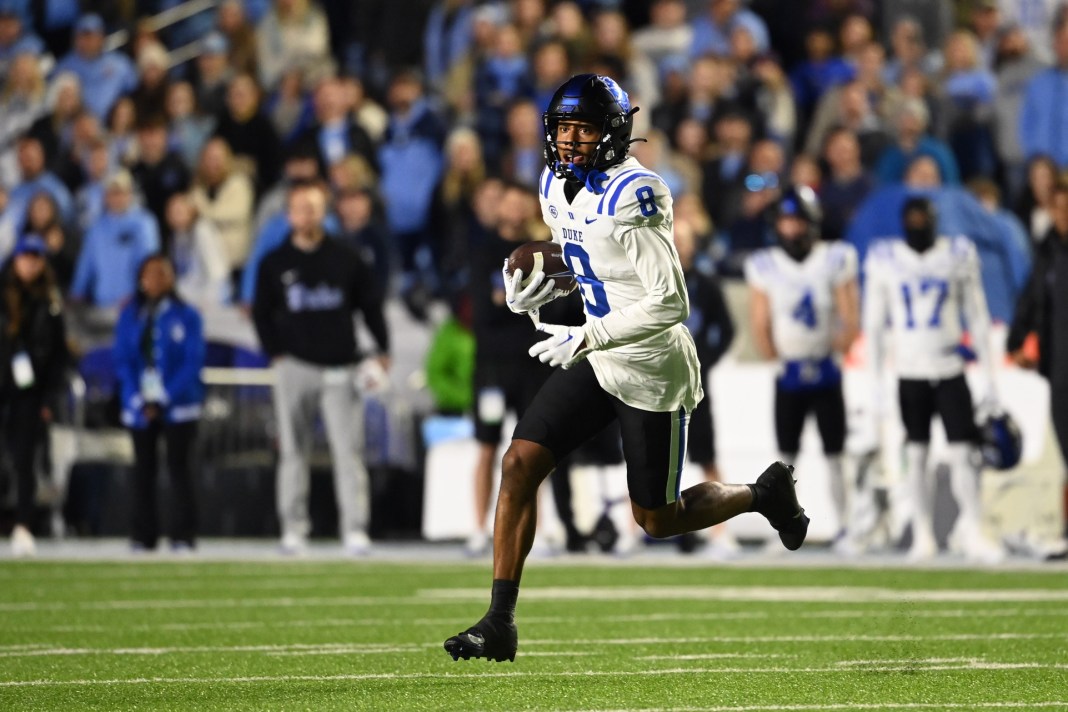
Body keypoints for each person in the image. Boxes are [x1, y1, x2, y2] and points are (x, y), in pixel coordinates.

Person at [443, 74, 809, 663]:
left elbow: (670, 301)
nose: (569, 140)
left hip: (651, 364)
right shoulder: (553, 186)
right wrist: (535, 287)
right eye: (563, 127)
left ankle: (762, 494)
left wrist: (588, 331)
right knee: (519, 464)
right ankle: (499, 620)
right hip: (597, 352)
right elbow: (587, 259)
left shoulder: (636, 193)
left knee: (657, 519)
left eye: (583, 128)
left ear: (612, 134)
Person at [251, 180, 390, 556]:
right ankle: (293, 528)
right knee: (292, 450)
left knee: (349, 452)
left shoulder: (346, 257)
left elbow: (370, 306)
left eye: (313, 207)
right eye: (300, 208)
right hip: (294, 365)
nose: (307, 215)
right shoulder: (274, 262)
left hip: (340, 368)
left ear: (323, 212)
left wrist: (382, 348)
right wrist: (275, 352)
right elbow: (261, 312)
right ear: (289, 215)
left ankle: (354, 529)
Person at [863, 196, 1004, 563]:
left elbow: (977, 315)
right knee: (917, 453)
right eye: (910, 217)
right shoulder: (885, 258)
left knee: (963, 454)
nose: (917, 224)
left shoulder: (957, 253)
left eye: (922, 217)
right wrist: (875, 379)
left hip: (949, 367)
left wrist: (990, 374)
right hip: (910, 371)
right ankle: (922, 534)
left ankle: (973, 529)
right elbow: (874, 325)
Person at [745, 186, 859, 550]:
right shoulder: (764, 264)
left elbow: (849, 316)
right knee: (785, 460)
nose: (791, 230)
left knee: (836, 454)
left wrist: (835, 352)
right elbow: (759, 322)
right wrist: (777, 362)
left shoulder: (835, 257)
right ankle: (782, 529)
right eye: (785, 222)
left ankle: (846, 526)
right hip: (789, 372)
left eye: (796, 222)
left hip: (825, 367)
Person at [113, 254, 205, 552]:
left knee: (180, 469)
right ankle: (143, 534)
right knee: (143, 470)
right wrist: (139, 397)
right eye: (149, 274)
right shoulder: (131, 315)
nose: (155, 280)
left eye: (162, 273)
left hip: (179, 404)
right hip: (140, 404)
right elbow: (123, 360)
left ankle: (183, 535)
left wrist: (164, 396)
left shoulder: (187, 314)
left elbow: (192, 362)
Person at [0, 235, 68, 557]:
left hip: (29, 392)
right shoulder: (2, 295)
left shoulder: (50, 302)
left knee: (24, 460)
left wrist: (49, 400)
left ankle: (23, 525)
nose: (30, 263)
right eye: (26, 257)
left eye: (36, 258)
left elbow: (57, 355)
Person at [1007, 182, 1068, 541]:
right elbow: (1031, 300)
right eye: (1057, 209)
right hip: (1059, 368)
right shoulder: (1048, 253)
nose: (1062, 216)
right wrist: (1017, 342)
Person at [674, 219, 737, 556]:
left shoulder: (706, 284)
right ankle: (635, 528)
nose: (677, 243)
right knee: (646, 458)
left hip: (694, 384)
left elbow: (726, 329)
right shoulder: (647, 278)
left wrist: (703, 360)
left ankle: (720, 532)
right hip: (657, 383)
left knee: (707, 456)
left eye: (682, 238)